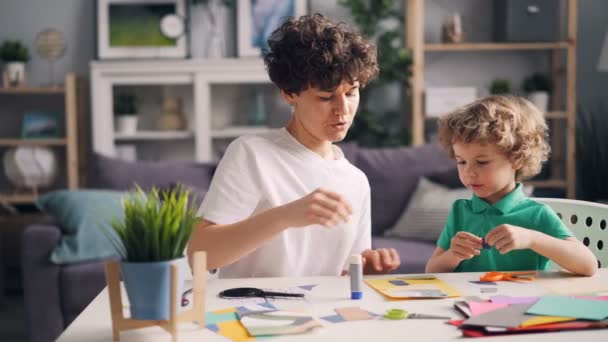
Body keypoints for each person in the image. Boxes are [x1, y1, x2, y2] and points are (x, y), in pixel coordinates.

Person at [187, 14, 401, 278]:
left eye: (351, 93)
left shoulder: (356, 181)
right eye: (325, 97)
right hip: (252, 314)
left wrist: (368, 272)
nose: (342, 110)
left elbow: (346, 276)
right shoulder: (252, 153)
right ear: (290, 94)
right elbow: (199, 255)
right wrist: (285, 216)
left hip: (324, 318)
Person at [425, 95, 597, 276]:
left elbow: (588, 266)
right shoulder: (460, 211)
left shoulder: (536, 214)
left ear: (517, 159)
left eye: (482, 162)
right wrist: (454, 254)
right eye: (461, 162)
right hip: (468, 302)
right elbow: (431, 270)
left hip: (526, 302)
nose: (469, 172)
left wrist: (532, 239)